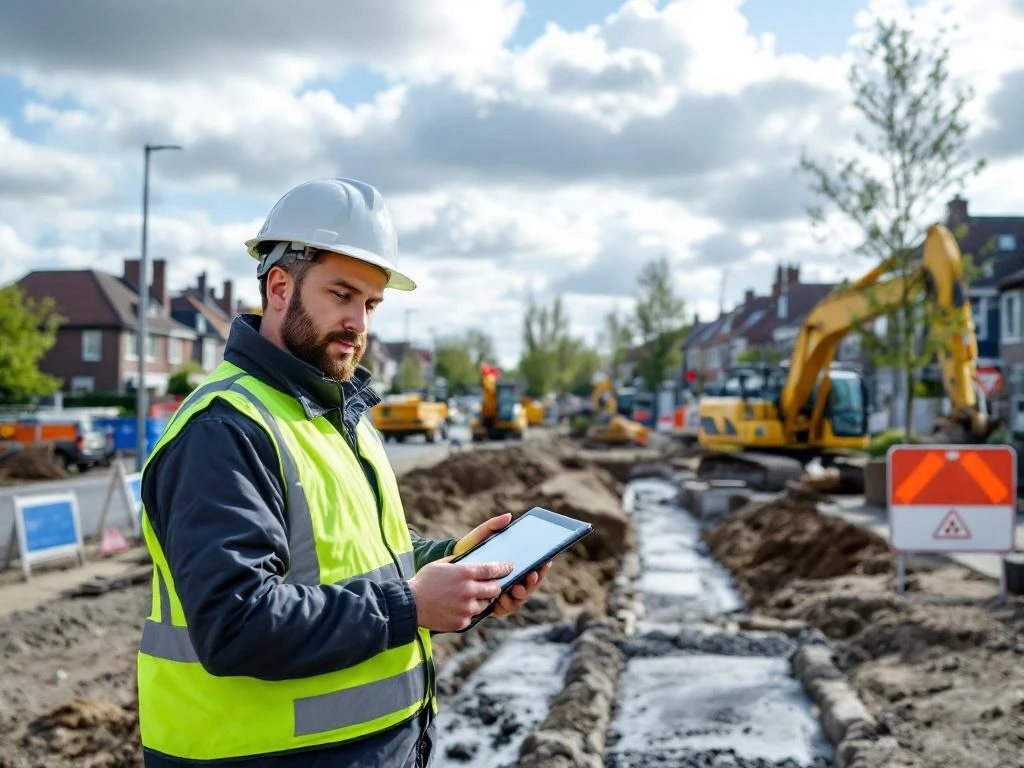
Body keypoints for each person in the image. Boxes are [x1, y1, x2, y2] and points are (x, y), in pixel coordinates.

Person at [136, 177, 551, 767]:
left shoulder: (337, 415)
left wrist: (454, 567)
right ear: (279, 287)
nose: (359, 322)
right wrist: (411, 606)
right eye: (341, 294)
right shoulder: (224, 430)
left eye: (371, 304)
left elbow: (355, 557)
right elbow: (235, 623)